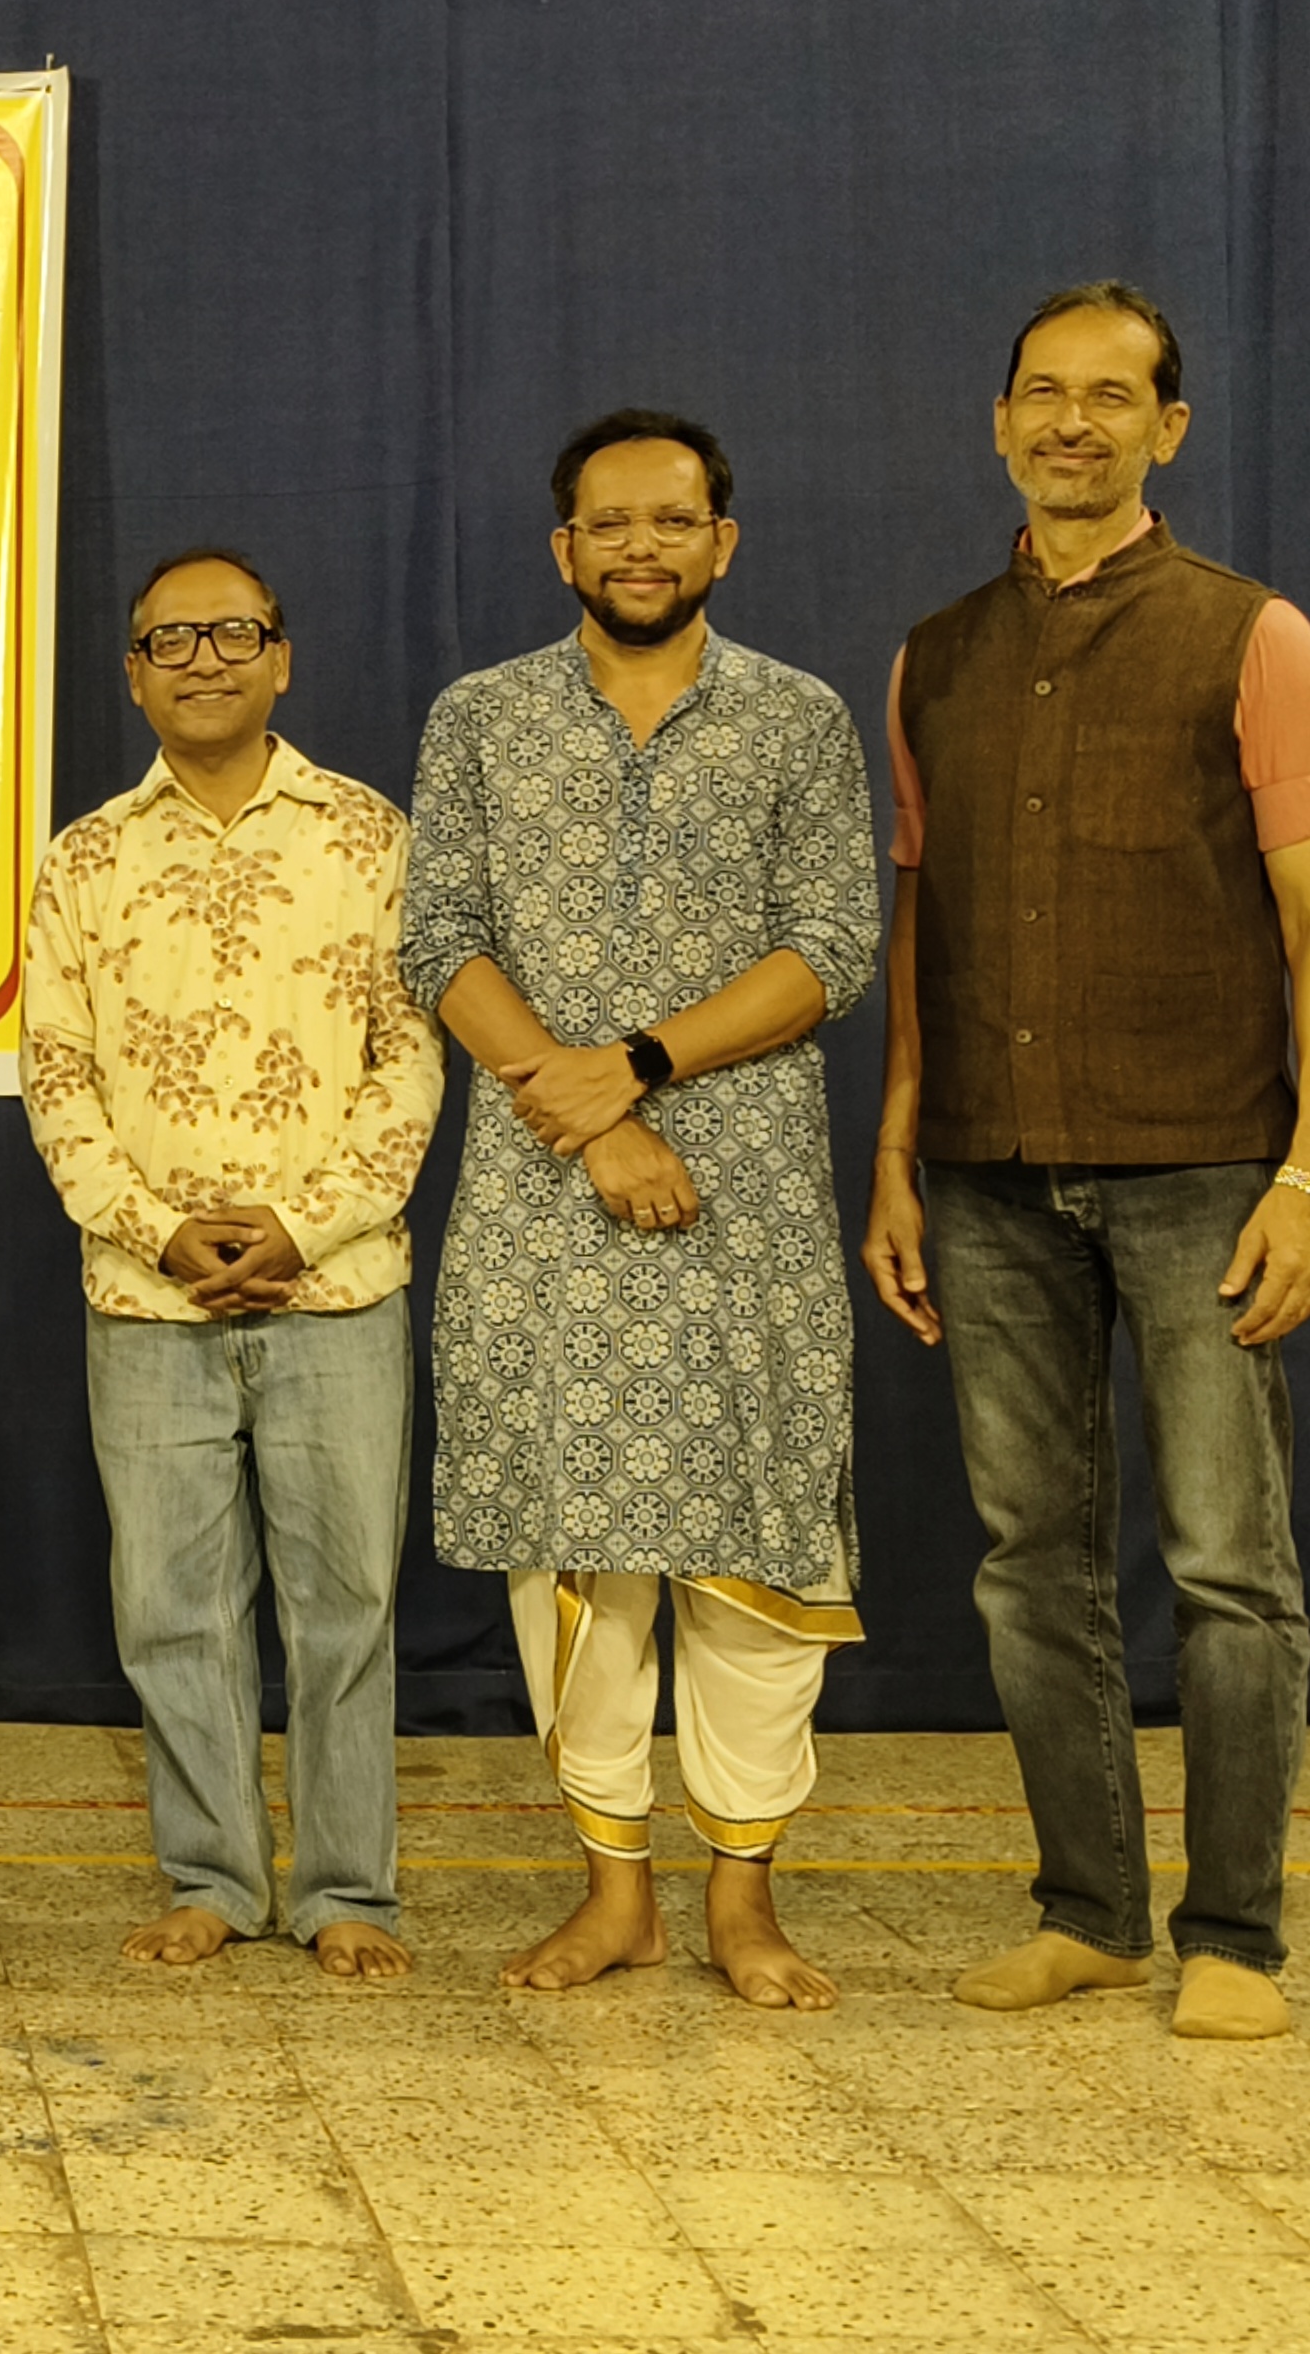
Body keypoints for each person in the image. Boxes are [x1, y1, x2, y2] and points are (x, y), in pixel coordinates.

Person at [860, 282, 1310, 2041]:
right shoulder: (934, 654)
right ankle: (1089, 1913)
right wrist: (898, 1156)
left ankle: (1238, 1939)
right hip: (983, 1174)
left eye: (1112, 397)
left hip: (1208, 1165)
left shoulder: (1254, 637)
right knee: (1030, 1559)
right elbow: (920, 936)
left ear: (1167, 431)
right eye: (1043, 393)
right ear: (998, 423)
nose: (1073, 422)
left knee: (1224, 1564)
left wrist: (1306, 1176)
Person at [400, 410, 879, 2010]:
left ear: (722, 544)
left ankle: (746, 1899)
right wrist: (583, 1114)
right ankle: (616, 1895)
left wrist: (641, 1066)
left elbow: (833, 944)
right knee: (574, 1548)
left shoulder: (798, 722)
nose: (641, 549)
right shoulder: (481, 719)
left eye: (674, 522)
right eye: (610, 525)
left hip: (744, 1197)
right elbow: (440, 938)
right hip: (545, 1201)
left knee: (753, 1547)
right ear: (566, 550)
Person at [25, 549, 440, 1981]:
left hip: (337, 1285)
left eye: (233, 633)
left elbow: (412, 1060)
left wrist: (303, 1224)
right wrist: (156, 1227)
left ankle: (345, 1894)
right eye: (168, 640)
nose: (202, 659)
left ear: (282, 658)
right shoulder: (85, 857)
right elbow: (57, 1072)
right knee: (173, 1607)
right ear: (132, 673)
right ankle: (208, 1875)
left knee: (346, 1607)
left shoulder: (373, 836)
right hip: (148, 1293)